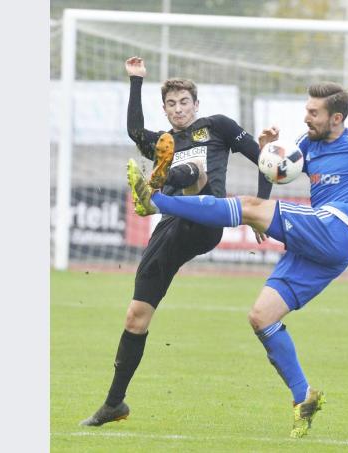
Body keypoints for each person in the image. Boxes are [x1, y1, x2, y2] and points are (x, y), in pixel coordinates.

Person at [126, 81, 348, 438]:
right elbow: (277, 175)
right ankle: (304, 397)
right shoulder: (306, 145)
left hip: (337, 228)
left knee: (250, 207)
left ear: (336, 118)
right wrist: (267, 151)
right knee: (261, 317)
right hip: (319, 250)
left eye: (314, 112)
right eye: (307, 110)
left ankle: (155, 201)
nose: (306, 116)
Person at [80, 57, 272, 426]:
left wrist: (261, 207)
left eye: (185, 102)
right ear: (165, 109)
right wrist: (136, 82)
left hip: (207, 215)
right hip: (171, 227)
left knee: (196, 171)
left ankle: (154, 189)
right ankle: (114, 403)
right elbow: (136, 130)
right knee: (136, 316)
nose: (179, 108)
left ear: (196, 105)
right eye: (171, 104)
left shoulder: (216, 127)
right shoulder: (163, 140)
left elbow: (264, 160)